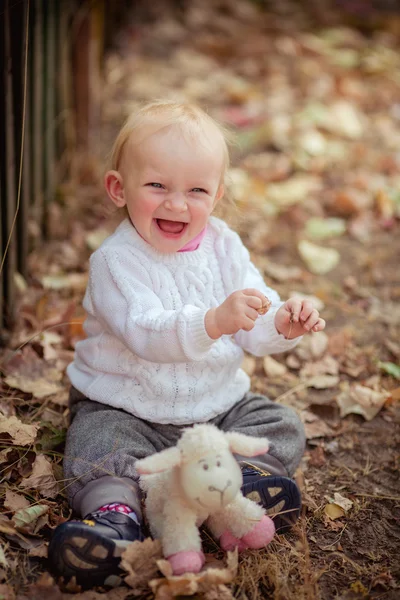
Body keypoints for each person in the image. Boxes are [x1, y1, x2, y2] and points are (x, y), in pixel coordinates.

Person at [49, 101, 325, 589]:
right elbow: (146, 331)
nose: (177, 204)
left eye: (196, 190)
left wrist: (282, 321)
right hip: (128, 406)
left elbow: (252, 319)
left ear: (216, 196)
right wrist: (214, 320)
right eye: (157, 186)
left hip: (216, 412)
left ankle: (242, 480)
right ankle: (115, 520)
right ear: (119, 189)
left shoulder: (224, 246)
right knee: (96, 444)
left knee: (280, 424)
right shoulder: (115, 262)